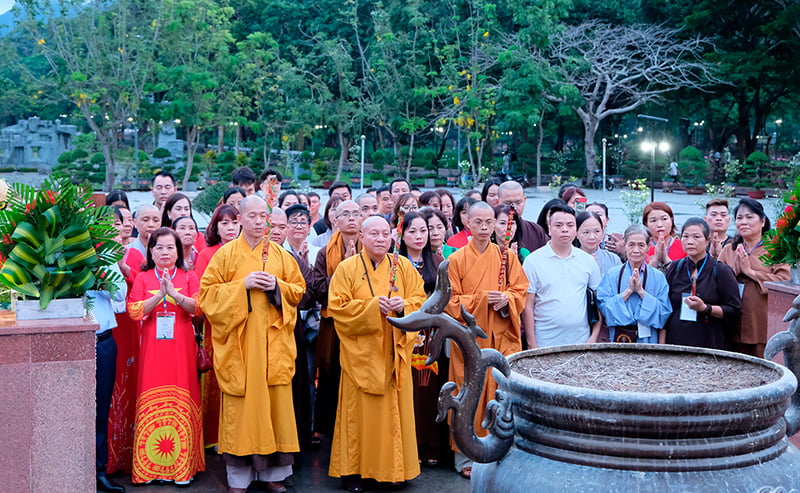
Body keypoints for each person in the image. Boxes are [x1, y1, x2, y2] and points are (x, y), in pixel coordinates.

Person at [199, 196, 306, 493]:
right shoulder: (226, 255)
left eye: (264, 216)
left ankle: (274, 474)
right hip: (241, 350)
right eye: (253, 216)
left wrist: (277, 287)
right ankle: (239, 479)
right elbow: (207, 296)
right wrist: (241, 286)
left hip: (274, 348)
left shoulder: (282, 256)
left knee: (276, 411)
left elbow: (298, 290)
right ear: (240, 220)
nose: (260, 221)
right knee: (242, 413)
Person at [328, 216, 426, 492]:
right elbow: (338, 307)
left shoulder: (403, 266)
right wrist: (373, 308)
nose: (381, 239)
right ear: (361, 235)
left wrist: (403, 305)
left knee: (393, 416)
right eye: (374, 233)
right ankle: (354, 472)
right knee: (357, 416)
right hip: (361, 354)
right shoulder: (347, 268)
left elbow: (420, 300)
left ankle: (394, 471)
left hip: (394, 353)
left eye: (385, 233)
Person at [446, 202, 528, 478]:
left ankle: (497, 453)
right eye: (478, 222)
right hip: (469, 340)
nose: (484, 227)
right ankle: (464, 456)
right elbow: (450, 302)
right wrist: (482, 300)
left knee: (497, 393)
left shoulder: (507, 257)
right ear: (467, 223)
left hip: (500, 338)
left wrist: (506, 299)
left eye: (489, 222)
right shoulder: (456, 260)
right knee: (468, 392)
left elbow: (520, 291)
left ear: (496, 225)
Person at [127, 228, 204, 485]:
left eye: (170, 247)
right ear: (151, 250)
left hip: (181, 349)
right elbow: (135, 311)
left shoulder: (189, 275)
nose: (164, 252)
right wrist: (159, 295)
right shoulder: (143, 278)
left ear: (178, 250)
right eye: (159, 247)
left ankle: (181, 469)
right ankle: (149, 468)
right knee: (151, 393)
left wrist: (174, 294)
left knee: (182, 395)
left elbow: (198, 307)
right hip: (153, 349)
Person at [310, 200, 364, 441]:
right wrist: (344, 268)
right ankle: (332, 431)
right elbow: (319, 290)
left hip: (363, 322)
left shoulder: (373, 247)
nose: (351, 218)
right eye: (346, 214)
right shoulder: (324, 253)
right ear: (335, 220)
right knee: (332, 375)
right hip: (332, 324)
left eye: (356, 213)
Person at [399, 212, 449, 467]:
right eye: (412, 231)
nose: (419, 237)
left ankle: (432, 444)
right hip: (405, 334)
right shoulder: (395, 263)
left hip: (431, 334)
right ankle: (410, 445)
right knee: (408, 391)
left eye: (423, 231)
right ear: (402, 234)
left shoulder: (438, 261)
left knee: (430, 389)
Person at [523, 204, 602, 348]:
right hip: (545, 341)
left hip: (581, 341)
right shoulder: (533, 261)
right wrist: (531, 343)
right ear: (549, 229)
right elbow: (528, 305)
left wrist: (594, 336)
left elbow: (598, 301)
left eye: (570, 225)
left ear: (576, 229)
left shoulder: (587, 261)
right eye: (558, 225)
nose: (565, 229)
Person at [718, 199, 789, 357]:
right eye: (739, 218)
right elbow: (714, 282)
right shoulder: (729, 249)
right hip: (731, 324)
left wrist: (750, 272)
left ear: (762, 221)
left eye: (749, 217)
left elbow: (784, 281)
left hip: (761, 324)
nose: (743, 222)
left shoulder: (776, 249)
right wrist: (733, 273)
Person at [664, 218, 741, 350]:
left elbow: (734, 310)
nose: (690, 241)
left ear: (707, 240)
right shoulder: (675, 268)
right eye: (685, 236)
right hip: (676, 339)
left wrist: (706, 308)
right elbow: (665, 306)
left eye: (696, 237)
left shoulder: (721, 271)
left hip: (708, 340)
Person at [90, 225, 127, 492]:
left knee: (102, 408)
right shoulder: (57, 258)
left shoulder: (106, 259)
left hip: (103, 342)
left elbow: (120, 298)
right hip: (72, 343)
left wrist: (100, 272)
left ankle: (99, 471)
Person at [597, 225, 672, 343]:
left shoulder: (658, 277)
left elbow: (664, 313)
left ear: (648, 247)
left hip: (648, 338)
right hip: (619, 336)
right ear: (625, 245)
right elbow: (603, 307)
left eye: (641, 245)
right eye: (631, 245)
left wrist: (641, 292)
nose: (636, 250)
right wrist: (628, 292)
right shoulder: (612, 275)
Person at [498, 180, 548, 253]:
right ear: (498, 202)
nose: (514, 207)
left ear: (524, 201)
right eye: (508, 203)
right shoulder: (489, 231)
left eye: (518, 202)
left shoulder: (535, 231)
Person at [195, 205, 241, 278]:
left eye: (235, 223)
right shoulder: (205, 255)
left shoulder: (247, 250)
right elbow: (201, 285)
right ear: (216, 228)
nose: (231, 228)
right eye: (225, 223)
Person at [575, 211, 621, 276]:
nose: (592, 237)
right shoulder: (570, 259)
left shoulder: (613, 259)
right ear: (576, 233)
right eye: (586, 232)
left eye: (597, 231)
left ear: (602, 232)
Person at [644, 202, 686, 270]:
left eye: (664, 219)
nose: (659, 225)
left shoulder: (684, 246)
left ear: (671, 220)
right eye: (653, 220)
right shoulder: (642, 248)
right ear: (646, 224)